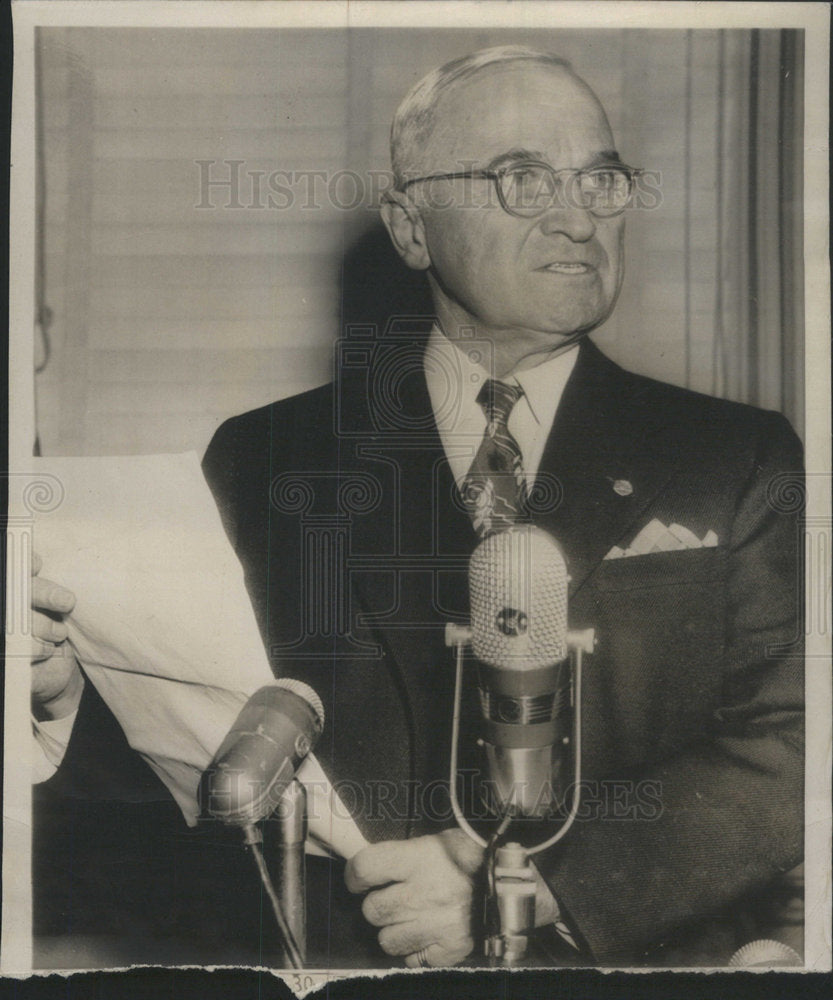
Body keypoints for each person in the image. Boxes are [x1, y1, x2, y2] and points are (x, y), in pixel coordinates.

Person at [31, 46, 804, 968]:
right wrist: (67, 700)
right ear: (409, 227)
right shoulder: (265, 459)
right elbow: (193, 780)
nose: (576, 216)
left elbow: (796, 744)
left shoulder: (736, 454)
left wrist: (533, 887)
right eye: (521, 178)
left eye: (600, 180)